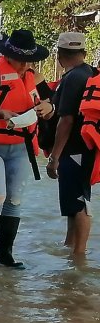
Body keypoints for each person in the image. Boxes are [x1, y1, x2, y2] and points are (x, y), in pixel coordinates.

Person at [0, 30, 55, 268]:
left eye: (28, 61)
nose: (23, 66)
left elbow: (52, 105)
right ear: (7, 56)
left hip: (21, 147)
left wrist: (46, 108)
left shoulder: (36, 77)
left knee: (15, 199)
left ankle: (6, 255)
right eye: (19, 60)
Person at [46, 32, 96, 255]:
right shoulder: (88, 73)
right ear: (83, 53)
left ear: (59, 55)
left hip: (75, 149)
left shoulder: (73, 78)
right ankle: (70, 246)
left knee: (80, 202)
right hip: (85, 148)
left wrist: (54, 157)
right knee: (72, 200)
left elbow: (66, 120)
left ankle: (79, 255)